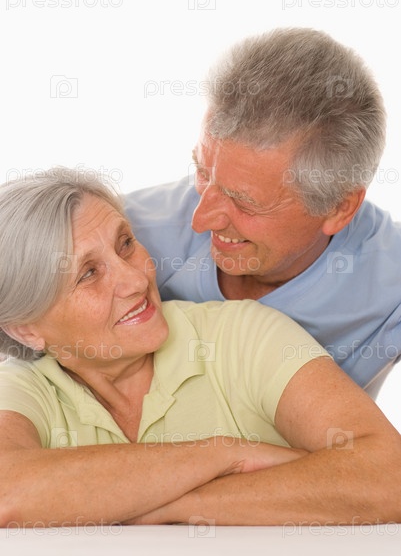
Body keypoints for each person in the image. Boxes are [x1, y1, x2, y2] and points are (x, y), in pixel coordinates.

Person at [0, 167, 400, 528]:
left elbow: (388, 474)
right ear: (26, 330)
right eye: (89, 273)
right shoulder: (23, 386)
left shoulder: (244, 335)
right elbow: (6, 492)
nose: (136, 279)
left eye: (125, 244)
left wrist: (167, 504)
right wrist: (225, 454)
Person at [125, 27, 401, 395]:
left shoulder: (390, 280)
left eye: (244, 201)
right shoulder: (124, 235)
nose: (201, 219)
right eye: (203, 174)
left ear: (338, 207)